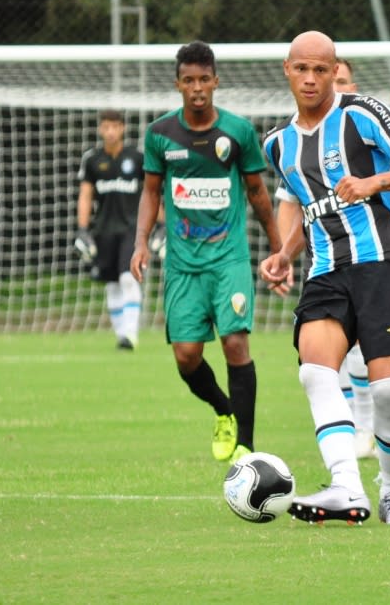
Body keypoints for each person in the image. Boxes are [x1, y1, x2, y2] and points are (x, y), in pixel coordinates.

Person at [260, 31, 390, 525]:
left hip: (386, 259)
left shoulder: (363, 113)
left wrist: (373, 182)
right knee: (314, 371)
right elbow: (308, 209)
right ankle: (347, 485)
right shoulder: (278, 144)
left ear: (334, 69)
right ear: (287, 70)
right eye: (303, 69)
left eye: (322, 69)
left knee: (386, 391)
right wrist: (283, 254)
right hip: (325, 269)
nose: (312, 78)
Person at [130, 40, 282, 465]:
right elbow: (150, 192)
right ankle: (223, 410)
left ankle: (248, 449)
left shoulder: (237, 132)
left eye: (204, 79)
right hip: (181, 264)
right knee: (186, 356)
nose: (197, 88)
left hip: (229, 259)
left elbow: (257, 193)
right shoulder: (161, 134)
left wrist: (277, 248)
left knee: (235, 343)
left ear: (216, 81)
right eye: (189, 80)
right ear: (178, 84)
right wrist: (141, 242)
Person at [272, 56, 376, 459]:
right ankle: (352, 429)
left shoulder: (366, 128)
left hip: (374, 260)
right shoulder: (294, 139)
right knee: (329, 354)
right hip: (326, 262)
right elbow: (289, 202)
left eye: (346, 81)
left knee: (370, 355)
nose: (341, 89)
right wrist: (285, 254)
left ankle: (369, 426)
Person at [75, 109, 147, 350]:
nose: (110, 131)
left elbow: (151, 193)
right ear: (100, 129)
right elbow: (85, 196)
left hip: (132, 230)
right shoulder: (92, 159)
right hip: (103, 230)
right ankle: (121, 336)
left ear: (123, 128)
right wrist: (83, 230)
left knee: (128, 277)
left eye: (114, 127)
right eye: (105, 127)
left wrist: (159, 226)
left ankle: (130, 334)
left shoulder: (137, 158)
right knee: (112, 283)